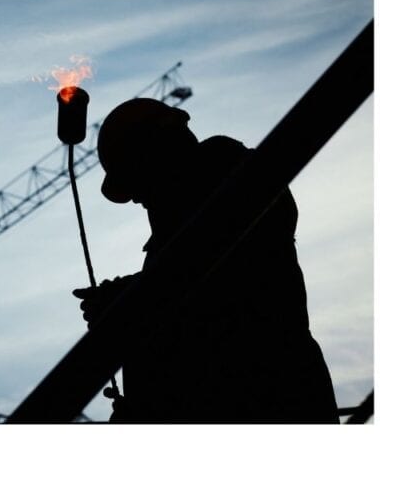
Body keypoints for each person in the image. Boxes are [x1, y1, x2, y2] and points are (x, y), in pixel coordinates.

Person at [73, 98, 338, 423]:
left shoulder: (239, 187)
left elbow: (209, 292)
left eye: (137, 182)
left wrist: (126, 304)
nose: (137, 199)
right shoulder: (183, 236)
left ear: (158, 155)